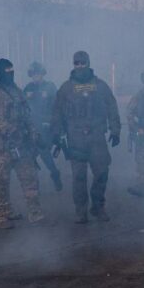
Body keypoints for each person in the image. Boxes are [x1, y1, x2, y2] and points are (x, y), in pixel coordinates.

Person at [51, 50, 122, 224]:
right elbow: (57, 112)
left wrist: (115, 129)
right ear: (73, 64)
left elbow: (112, 106)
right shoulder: (66, 88)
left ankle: (98, 206)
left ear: (88, 64)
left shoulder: (100, 85)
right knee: (79, 177)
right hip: (75, 139)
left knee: (102, 173)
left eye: (83, 63)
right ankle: (81, 211)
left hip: (97, 136)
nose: (80, 66)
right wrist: (56, 134)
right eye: (77, 63)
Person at [0, 59, 45, 229]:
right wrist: (5, 127)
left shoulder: (17, 91)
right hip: (2, 147)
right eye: (7, 71)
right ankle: (0, 215)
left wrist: (34, 133)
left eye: (12, 70)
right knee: (1, 183)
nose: (11, 73)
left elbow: (27, 115)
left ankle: (35, 212)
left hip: (22, 145)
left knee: (30, 178)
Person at [23, 61, 63, 192]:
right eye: (33, 74)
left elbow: (57, 107)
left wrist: (54, 125)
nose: (36, 76)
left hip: (47, 128)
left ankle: (55, 174)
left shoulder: (50, 87)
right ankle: (34, 187)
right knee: (30, 157)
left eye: (38, 74)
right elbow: (23, 108)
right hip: (32, 127)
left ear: (42, 74)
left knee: (44, 153)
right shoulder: (28, 88)